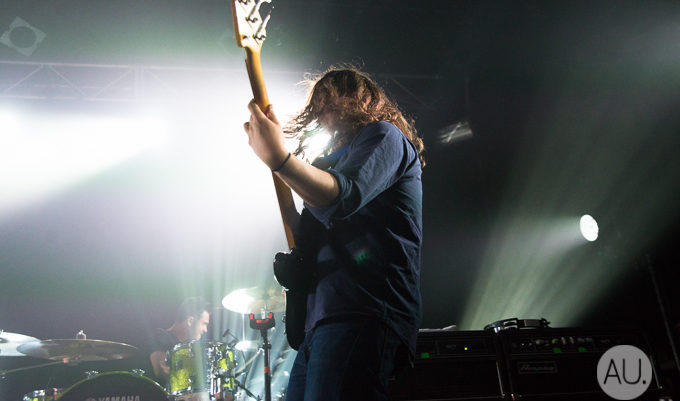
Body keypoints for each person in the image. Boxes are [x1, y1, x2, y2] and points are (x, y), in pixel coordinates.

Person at [243, 67, 424, 401]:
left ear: (361, 99)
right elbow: (314, 232)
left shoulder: (384, 136)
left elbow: (343, 197)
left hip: (364, 311)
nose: (323, 108)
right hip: (321, 319)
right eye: (319, 102)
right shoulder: (329, 162)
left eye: (332, 98)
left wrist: (280, 159)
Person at [148, 297, 211, 384]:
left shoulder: (190, 348)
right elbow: (161, 372)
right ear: (190, 321)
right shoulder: (160, 336)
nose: (205, 330)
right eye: (204, 324)